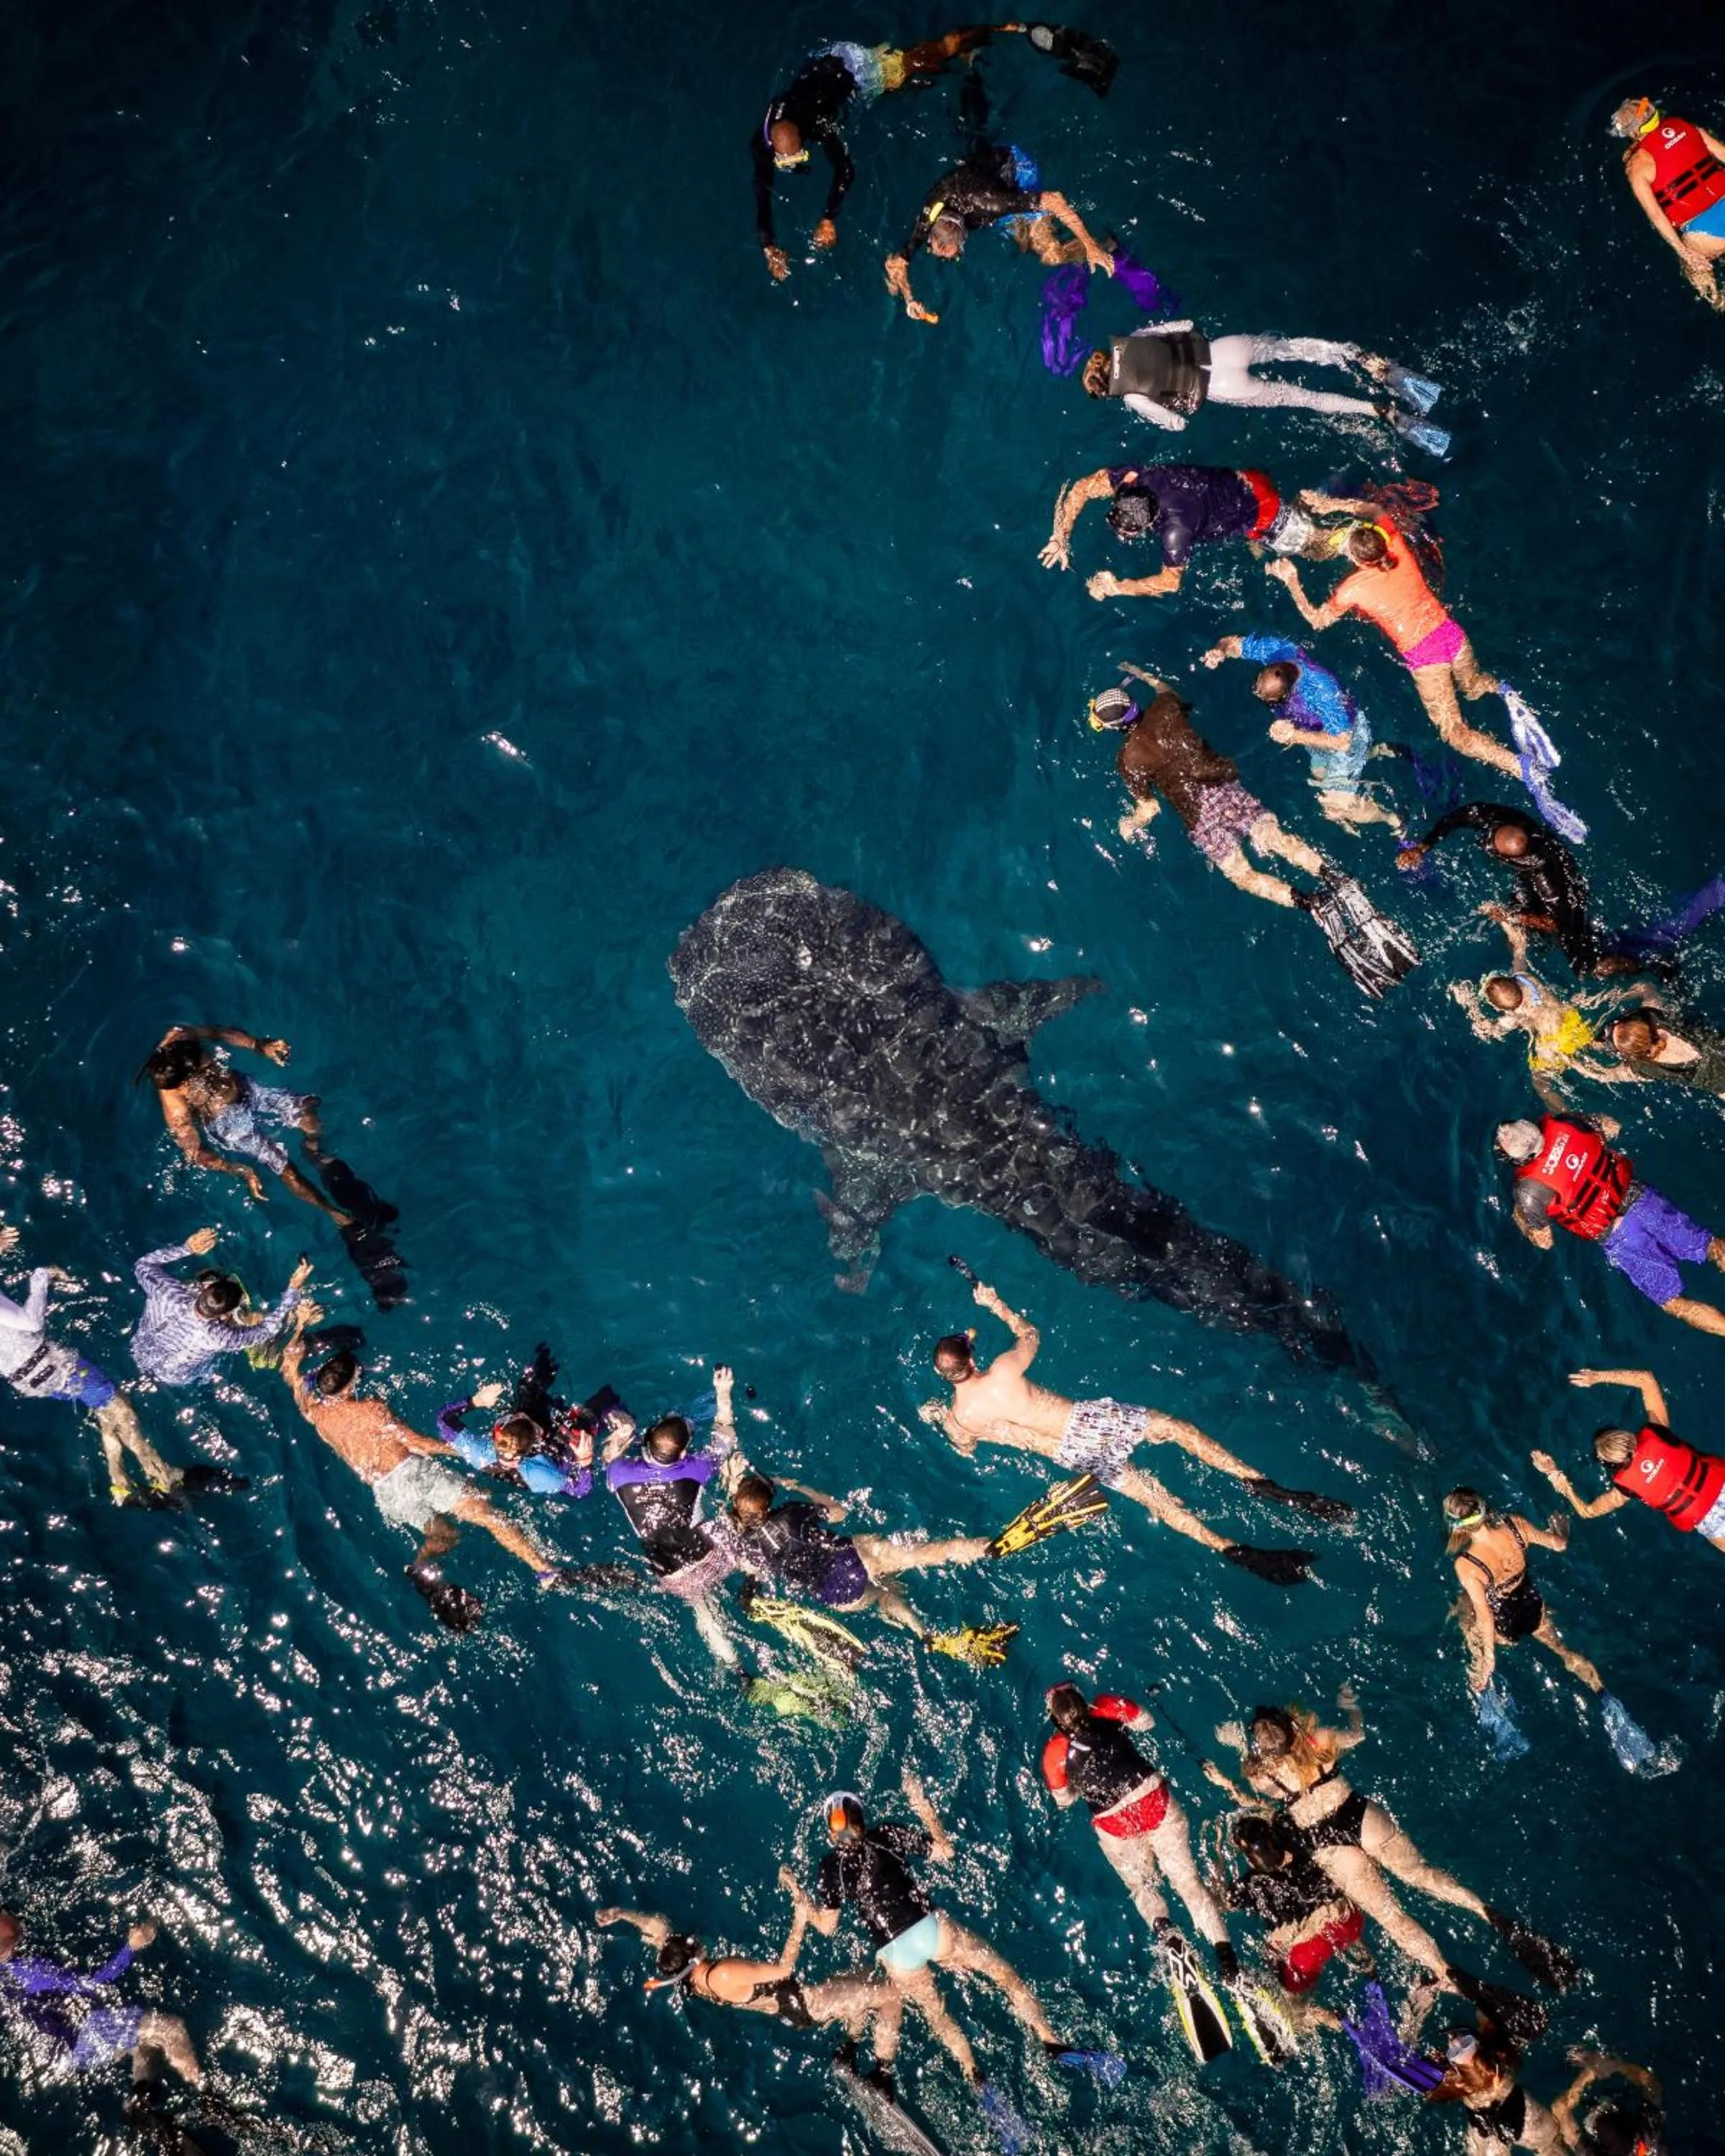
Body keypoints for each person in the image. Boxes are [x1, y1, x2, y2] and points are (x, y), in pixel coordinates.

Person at [919, 1273, 1345, 1583]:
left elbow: (966, 1449)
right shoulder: (1003, 1371)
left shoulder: (960, 1421)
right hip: (1089, 1423)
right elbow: (1031, 1333)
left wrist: (940, 1415)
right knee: (1177, 1430)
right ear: (973, 1361)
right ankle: (1263, 1485)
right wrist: (996, 1305)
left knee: (1152, 1496)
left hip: (1073, 1456)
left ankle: (1229, 1549)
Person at [1208, 1692, 1576, 1994]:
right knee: (1423, 1876)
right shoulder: (1322, 1743)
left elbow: (1257, 1805)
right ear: (1292, 1727)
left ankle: (1446, 1973)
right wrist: (1352, 1706)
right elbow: (1359, 1733)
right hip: (1358, 1815)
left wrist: (1227, 1778)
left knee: (1392, 1917)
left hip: (1329, 1845)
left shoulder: (1264, 1777)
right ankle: (1487, 1914)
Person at [277, 1305, 565, 1631]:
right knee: (488, 1515)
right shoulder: (372, 1410)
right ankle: (543, 1569)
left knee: (445, 1535)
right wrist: (467, 1452)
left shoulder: (312, 1410)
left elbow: (290, 1363)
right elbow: (419, 1444)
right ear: (347, 1386)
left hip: (385, 1492)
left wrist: (299, 1323)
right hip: (413, 1474)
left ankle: (422, 1566)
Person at [1041, 1684, 1285, 2061]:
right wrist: (1116, 1716)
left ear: (1056, 1719)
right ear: (1083, 1701)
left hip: (1116, 1824)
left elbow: (1064, 1800)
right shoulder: (1107, 1707)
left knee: (1142, 1886)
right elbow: (1147, 1723)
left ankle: (1167, 1933)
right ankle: (1227, 1961)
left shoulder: (1055, 1752)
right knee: (1189, 1884)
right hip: (1154, 1801)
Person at [803, 1777, 1068, 2092]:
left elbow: (828, 1927)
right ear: (862, 1817)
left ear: (831, 1833)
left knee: (938, 2016)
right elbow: (945, 1851)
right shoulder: (885, 1834)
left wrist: (802, 1904)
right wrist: (921, 1802)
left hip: (896, 1954)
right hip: (933, 1931)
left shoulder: (828, 1867)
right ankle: (1051, 2042)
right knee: (1003, 1975)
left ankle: (974, 2074)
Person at [0, 1225, 242, 1508]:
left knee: (108, 1407)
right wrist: (41, 1278)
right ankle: (164, 1476)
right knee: (122, 1412)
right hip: (51, 1365)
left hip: (29, 1382)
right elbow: (30, 1323)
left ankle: (121, 1485)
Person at [753, 24, 1013, 279]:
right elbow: (761, 189)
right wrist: (769, 246)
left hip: (853, 69)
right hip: (822, 68)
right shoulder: (762, 143)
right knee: (908, 82)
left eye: (801, 155)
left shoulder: (819, 124)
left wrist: (828, 218)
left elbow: (846, 169)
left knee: (919, 64)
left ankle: (983, 33)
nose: (798, 161)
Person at [597, 1872, 900, 2083]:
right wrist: (800, 1919)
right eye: (693, 1942)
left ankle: (849, 2047)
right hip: (808, 2004)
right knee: (890, 1995)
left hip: (788, 2009)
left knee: (864, 1975)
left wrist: (622, 1914)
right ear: (693, 1956)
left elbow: (658, 1929)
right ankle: (883, 2074)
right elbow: (784, 1969)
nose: (697, 1939)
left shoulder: (691, 1978)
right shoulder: (725, 1972)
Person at [1266, 525, 1518, 776]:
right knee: (1472, 686)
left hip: (1426, 656)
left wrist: (1293, 582)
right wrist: (1332, 504)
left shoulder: (1352, 588)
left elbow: (1317, 620)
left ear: (1354, 558)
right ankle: (1502, 690)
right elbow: (1375, 510)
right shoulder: (1398, 547)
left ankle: (1518, 766)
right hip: (1451, 634)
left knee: (1454, 732)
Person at [884, 70, 1113, 325]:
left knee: (1051, 256)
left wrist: (1089, 244)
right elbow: (896, 263)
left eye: (951, 253)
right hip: (978, 170)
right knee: (973, 131)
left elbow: (1055, 200)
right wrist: (909, 299)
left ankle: (1104, 247)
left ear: (958, 242)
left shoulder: (991, 206)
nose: (947, 255)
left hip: (1016, 171)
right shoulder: (931, 213)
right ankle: (972, 71)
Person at [1092, 673, 1329, 911]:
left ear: (1115, 727)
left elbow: (1150, 809)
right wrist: (1145, 676)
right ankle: (1327, 873)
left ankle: (1309, 903)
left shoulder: (1127, 761)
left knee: (1243, 875)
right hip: (1221, 785)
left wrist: (1130, 823)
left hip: (1198, 815)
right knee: (1274, 838)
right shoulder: (1166, 705)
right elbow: (1163, 686)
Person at [1495, 1113, 1725, 1337]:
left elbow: (1545, 1242)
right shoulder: (1565, 1122)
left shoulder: (1529, 1191)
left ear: (1521, 1160)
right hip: (1642, 1199)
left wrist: (1521, 1219)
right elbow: (1612, 1126)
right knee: (1710, 1246)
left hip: (1620, 1235)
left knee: (1674, 1303)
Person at [1081, 326, 1443, 449]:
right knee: (1294, 348)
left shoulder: (1130, 396)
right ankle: (1369, 361)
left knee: (1308, 399)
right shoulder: (1134, 337)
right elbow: (1185, 323)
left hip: (1223, 385)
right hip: (1224, 347)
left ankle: (1378, 410)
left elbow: (1178, 424)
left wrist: (1167, 411)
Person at [600, 1365, 746, 1666]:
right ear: (682, 1455)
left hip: (674, 1577)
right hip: (714, 1557)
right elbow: (725, 1437)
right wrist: (723, 1393)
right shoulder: (697, 1469)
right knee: (730, 1500)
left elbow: (609, 1457)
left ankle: (738, 1671)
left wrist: (621, 1434)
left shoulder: (618, 1473)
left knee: (703, 1611)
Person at [727, 1470, 990, 1637]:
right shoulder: (788, 1514)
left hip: (837, 1598)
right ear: (769, 1505)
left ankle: (923, 1633)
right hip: (853, 1561)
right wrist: (798, 1487)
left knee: (886, 1592)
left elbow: (752, 1564)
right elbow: (839, 1511)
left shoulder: (746, 1546)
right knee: (919, 1555)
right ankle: (986, 1549)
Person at [141, 1026, 350, 1226]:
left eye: (208, 1059)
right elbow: (193, 1152)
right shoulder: (175, 1104)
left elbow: (219, 1032)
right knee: (288, 1171)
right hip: (227, 1123)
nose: (214, 1063)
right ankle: (333, 1213)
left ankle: (312, 1148)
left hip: (248, 1089)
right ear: (187, 1080)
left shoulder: (183, 1037)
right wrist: (237, 1169)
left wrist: (259, 1045)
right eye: (206, 1067)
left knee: (307, 1111)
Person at [1199, 632, 1401, 832]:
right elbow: (1232, 642)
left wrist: (1294, 736)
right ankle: (1375, 752)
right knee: (1319, 776)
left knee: (1336, 805)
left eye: (1273, 702)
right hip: (1312, 733)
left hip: (1347, 735)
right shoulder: (1276, 652)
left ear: (1289, 691)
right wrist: (1220, 650)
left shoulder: (1322, 690)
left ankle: (1391, 818)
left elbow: (1343, 742)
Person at [0, 1910, 202, 2106]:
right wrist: (131, 1947)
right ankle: (205, 2095)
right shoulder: (32, 1970)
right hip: (79, 2041)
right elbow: (96, 1981)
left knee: (148, 2046)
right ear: (8, 1950)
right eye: (19, 1933)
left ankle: (141, 2107)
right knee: (169, 2029)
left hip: (53, 2049)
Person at [1039, 460, 1314, 600]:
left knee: (1317, 548)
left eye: (1129, 533)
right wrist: (1060, 537)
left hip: (1265, 515)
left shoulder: (1175, 530)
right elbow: (1081, 489)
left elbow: (1171, 583)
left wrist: (1117, 588)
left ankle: (1338, 499)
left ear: (1148, 523)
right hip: (1245, 479)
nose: (1124, 537)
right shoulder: (1136, 478)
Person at [1397, 806, 1613, 977]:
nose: (1486, 843)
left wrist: (1514, 917)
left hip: (1562, 897)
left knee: (1583, 964)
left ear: (1515, 858)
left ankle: (1626, 961)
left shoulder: (1546, 882)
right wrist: (1422, 847)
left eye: (1492, 847)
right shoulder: (1504, 819)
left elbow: (1556, 923)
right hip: (1538, 868)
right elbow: (1459, 817)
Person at [1537, 1366, 1725, 1552]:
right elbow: (1646, 1379)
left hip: (1709, 1519)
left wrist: (1559, 1479)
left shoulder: (1626, 1488)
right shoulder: (1659, 1432)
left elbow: (1588, 1512)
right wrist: (1597, 1377)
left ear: (1613, 1465)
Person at [1448, 928, 1635, 1112]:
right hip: (1570, 1020)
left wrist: (1469, 1005)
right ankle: (1629, 1050)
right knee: (1594, 1044)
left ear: (1499, 1008)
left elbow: (1489, 1031)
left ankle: (1566, 1116)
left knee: (1540, 1081)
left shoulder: (1513, 1018)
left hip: (1552, 1043)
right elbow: (1520, 947)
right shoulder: (1525, 978)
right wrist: (1508, 924)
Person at [1442, 1488, 1604, 1700]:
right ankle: (1599, 1688)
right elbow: (1560, 1545)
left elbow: (1484, 1615)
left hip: (1504, 1621)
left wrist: (1487, 1660)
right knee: (1562, 1650)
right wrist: (1562, 1530)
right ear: (1482, 1507)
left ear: (1457, 1526)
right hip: (1531, 1604)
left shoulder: (1467, 1565)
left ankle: (1480, 1673)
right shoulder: (1514, 1524)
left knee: (1463, 1611)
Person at [1218, 1811, 1372, 2004]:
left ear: (1251, 1860)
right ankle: (1368, 1967)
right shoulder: (1296, 1839)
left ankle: (1328, 2020)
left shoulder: (1249, 1885)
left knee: (1275, 1961)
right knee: (1335, 1914)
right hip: (1350, 1921)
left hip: (1308, 1953)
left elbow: (1223, 1903)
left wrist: (1219, 1859)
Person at [437, 1347, 630, 1498]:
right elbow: (581, 1491)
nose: (520, 1415)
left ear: (499, 1434)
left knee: (527, 1387)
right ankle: (617, 1436)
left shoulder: (478, 1452)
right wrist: (585, 1461)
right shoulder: (541, 1476)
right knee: (600, 1406)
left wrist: (476, 1401)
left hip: (517, 1453)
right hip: (555, 1455)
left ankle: (548, 1352)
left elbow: (444, 1420)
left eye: (517, 1418)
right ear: (537, 1438)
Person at [130, 1228, 309, 1388]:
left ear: (206, 1289)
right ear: (225, 1314)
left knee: (200, 1279)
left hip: (141, 1352)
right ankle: (241, 1314)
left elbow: (142, 1266)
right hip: (174, 1376)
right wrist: (292, 1290)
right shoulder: (220, 1338)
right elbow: (267, 1330)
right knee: (255, 1320)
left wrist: (187, 1248)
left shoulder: (166, 1293)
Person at [1609, 97, 1725, 310]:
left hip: (1706, 235)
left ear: (1633, 133)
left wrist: (1683, 252)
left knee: (1691, 263)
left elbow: (1656, 215)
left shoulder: (1637, 166)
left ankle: (1719, 300)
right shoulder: (1686, 126)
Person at [1552, 2053, 1666, 2156]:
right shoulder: (1646, 2137)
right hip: (1611, 2110)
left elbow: (1559, 2109)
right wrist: (1617, 2067)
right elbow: (1652, 2086)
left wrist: (1580, 2083)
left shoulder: (1646, 2139)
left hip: (1604, 2109)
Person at [1604, 1002, 1725, 1095]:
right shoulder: (1654, 1016)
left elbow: (1611, 1075)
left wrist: (1585, 1069)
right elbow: (1647, 988)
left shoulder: (1644, 1068)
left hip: (1719, 1084)